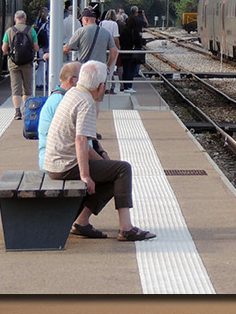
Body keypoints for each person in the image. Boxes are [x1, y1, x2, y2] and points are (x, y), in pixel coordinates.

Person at [44, 60, 156, 242]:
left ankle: (81, 222)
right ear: (101, 85)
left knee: (114, 172)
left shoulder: (73, 93)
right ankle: (126, 228)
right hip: (64, 166)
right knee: (123, 169)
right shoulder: (86, 101)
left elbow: (84, 146)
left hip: (56, 162)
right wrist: (85, 175)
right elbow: (80, 141)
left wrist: (103, 164)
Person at [63, 8, 119, 92]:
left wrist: (52, 53)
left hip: (85, 68)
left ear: (85, 19)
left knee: (84, 92)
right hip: (100, 69)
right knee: (97, 95)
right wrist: (108, 65)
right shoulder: (105, 32)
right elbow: (114, 51)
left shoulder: (81, 31)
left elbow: (67, 48)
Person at [1, 10, 39, 120]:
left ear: (15, 19)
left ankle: (17, 112)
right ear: (25, 19)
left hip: (13, 63)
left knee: (15, 88)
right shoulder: (31, 31)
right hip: (27, 63)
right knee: (27, 89)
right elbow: (36, 48)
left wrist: (10, 53)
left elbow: (4, 48)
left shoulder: (9, 31)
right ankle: (26, 111)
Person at [120, 6, 145, 92]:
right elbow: (137, 42)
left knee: (125, 70)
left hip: (123, 53)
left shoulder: (123, 31)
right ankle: (128, 86)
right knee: (130, 70)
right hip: (131, 53)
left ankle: (124, 86)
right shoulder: (134, 32)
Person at [100, 10, 123, 93]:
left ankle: (102, 86)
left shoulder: (101, 23)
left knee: (103, 66)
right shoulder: (114, 24)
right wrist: (118, 47)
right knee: (111, 67)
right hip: (111, 47)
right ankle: (108, 87)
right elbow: (115, 37)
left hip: (102, 47)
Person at [33, 7, 50, 92]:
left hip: (40, 46)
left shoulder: (38, 22)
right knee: (44, 66)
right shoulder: (47, 25)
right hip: (44, 48)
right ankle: (41, 83)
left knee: (41, 65)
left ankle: (39, 82)